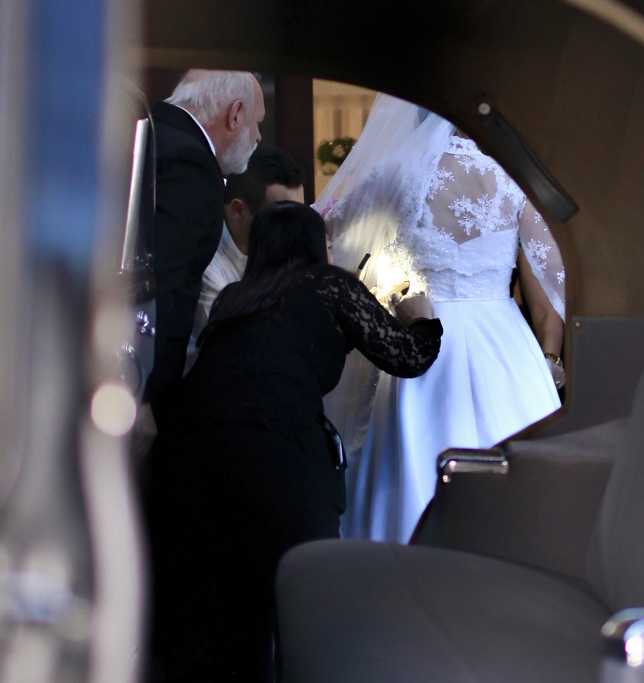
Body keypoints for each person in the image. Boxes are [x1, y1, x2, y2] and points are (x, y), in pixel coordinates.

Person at [146, 202, 443, 682]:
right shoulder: (328, 283)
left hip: (187, 452)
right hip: (273, 452)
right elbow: (408, 356)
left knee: (216, 617)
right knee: (303, 606)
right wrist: (422, 319)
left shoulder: (235, 298)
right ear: (317, 245)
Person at [319, 95, 566, 543]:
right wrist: (549, 360)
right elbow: (548, 300)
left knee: (413, 469)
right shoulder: (517, 181)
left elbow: (326, 227)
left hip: (422, 341)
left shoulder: (399, 169)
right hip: (504, 349)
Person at [143, 69, 265, 413]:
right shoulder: (191, 163)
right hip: (137, 381)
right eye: (257, 122)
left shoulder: (156, 131)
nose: (258, 136)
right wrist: (143, 396)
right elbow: (161, 285)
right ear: (235, 113)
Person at [184, 147, 305, 373]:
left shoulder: (275, 247)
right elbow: (238, 351)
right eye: (282, 219)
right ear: (238, 210)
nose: (295, 231)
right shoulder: (208, 267)